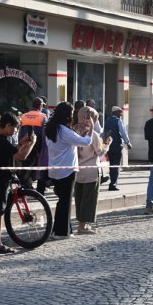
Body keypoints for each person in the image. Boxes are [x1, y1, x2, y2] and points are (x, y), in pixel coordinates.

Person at [0, 113, 36, 253]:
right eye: (16, 127)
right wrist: (32, 143)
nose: (17, 130)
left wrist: (22, 143)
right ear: (7, 126)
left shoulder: (0, 138)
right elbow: (21, 156)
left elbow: (14, 150)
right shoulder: (1, 139)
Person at [46, 102, 92, 238]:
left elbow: (71, 140)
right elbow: (86, 142)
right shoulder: (64, 130)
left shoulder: (51, 128)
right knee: (65, 202)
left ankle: (59, 229)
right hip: (67, 169)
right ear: (67, 115)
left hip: (55, 168)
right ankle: (62, 232)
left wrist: (81, 134)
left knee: (62, 201)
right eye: (71, 114)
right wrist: (91, 127)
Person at [73, 106, 110, 234]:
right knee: (89, 199)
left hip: (78, 170)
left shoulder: (75, 131)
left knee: (79, 199)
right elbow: (99, 152)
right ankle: (83, 226)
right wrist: (108, 145)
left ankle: (81, 223)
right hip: (92, 170)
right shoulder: (93, 134)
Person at [18, 97, 47, 189]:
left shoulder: (24, 115)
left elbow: (20, 131)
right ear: (40, 105)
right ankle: (28, 184)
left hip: (25, 144)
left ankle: (24, 184)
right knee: (38, 167)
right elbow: (44, 133)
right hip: (37, 145)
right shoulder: (43, 116)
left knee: (26, 165)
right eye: (42, 105)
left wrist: (20, 144)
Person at [104, 105, 131, 191]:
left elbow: (105, 133)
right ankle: (113, 184)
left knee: (112, 165)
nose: (121, 114)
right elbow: (123, 133)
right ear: (115, 112)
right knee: (116, 165)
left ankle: (112, 183)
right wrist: (128, 143)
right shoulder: (118, 121)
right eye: (120, 112)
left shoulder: (107, 120)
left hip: (108, 146)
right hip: (117, 146)